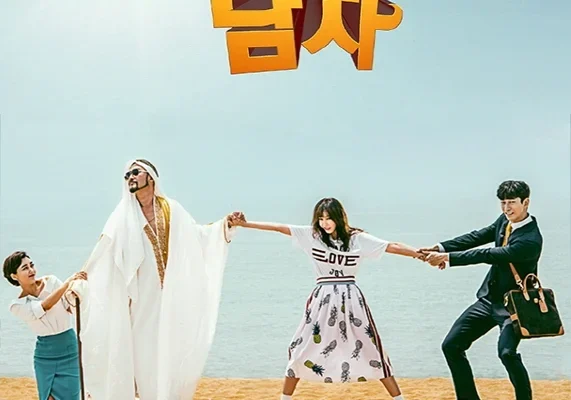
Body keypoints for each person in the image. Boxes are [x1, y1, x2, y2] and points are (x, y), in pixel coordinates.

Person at [71, 159, 245, 400]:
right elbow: (104, 247)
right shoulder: (122, 216)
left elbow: (197, 235)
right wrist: (84, 274)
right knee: (144, 360)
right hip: (142, 302)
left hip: (173, 299)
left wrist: (225, 225)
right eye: (127, 175)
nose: (130, 177)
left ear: (150, 177)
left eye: (135, 172)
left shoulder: (171, 209)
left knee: (174, 360)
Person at [233, 197, 426, 400]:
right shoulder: (312, 236)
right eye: (321, 218)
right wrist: (245, 224)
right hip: (322, 298)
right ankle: (285, 398)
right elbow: (278, 228)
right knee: (300, 347)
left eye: (328, 218)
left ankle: (398, 398)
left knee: (371, 348)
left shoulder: (356, 239)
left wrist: (423, 255)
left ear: (339, 217)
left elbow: (391, 246)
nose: (325, 223)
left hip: (351, 298)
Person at [420, 180, 542, 400]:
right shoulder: (504, 221)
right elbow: (478, 236)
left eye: (512, 202)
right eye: (503, 203)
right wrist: (440, 247)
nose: (506, 208)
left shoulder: (530, 240)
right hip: (488, 301)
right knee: (451, 346)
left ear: (526, 203)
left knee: (507, 353)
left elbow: (487, 254)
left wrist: (447, 258)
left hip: (514, 307)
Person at [4, 250, 87, 400]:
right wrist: (68, 283)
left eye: (31, 265)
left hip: (69, 349)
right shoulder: (16, 305)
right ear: (14, 276)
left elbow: (69, 306)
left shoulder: (52, 282)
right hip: (45, 357)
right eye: (25, 268)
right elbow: (45, 306)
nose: (31, 270)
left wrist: (76, 289)